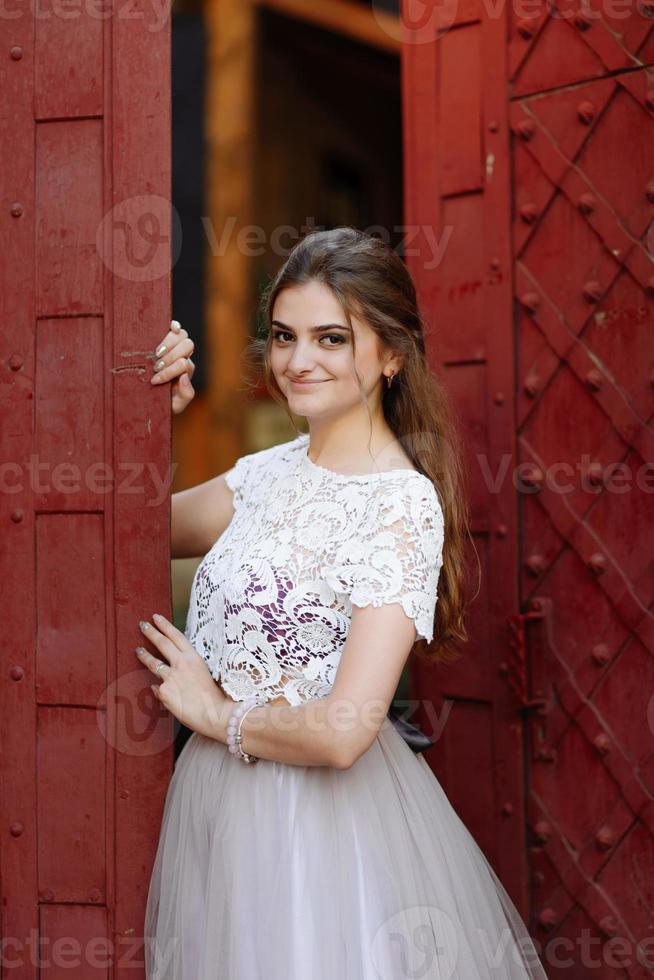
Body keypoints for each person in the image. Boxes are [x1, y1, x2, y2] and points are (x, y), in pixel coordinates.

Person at [137, 227, 549, 979]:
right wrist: (147, 416)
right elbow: (128, 533)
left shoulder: (401, 505)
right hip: (214, 809)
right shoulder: (265, 475)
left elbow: (345, 731)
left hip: (317, 827)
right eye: (285, 336)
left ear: (391, 355)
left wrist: (212, 714)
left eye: (331, 337)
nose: (299, 361)